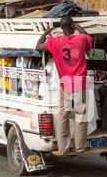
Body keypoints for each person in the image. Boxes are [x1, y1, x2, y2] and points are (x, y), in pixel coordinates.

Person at [36, 17, 93, 155]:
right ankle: (79, 148)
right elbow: (88, 38)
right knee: (80, 116)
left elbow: (38, 46)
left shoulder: (56, 42)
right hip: (79, 82)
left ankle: (63, 148)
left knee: (63, 116)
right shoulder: (80, 39)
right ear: (72, 27)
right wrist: (79, 27)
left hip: (65, 82)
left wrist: (45, 33)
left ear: (61, 28)